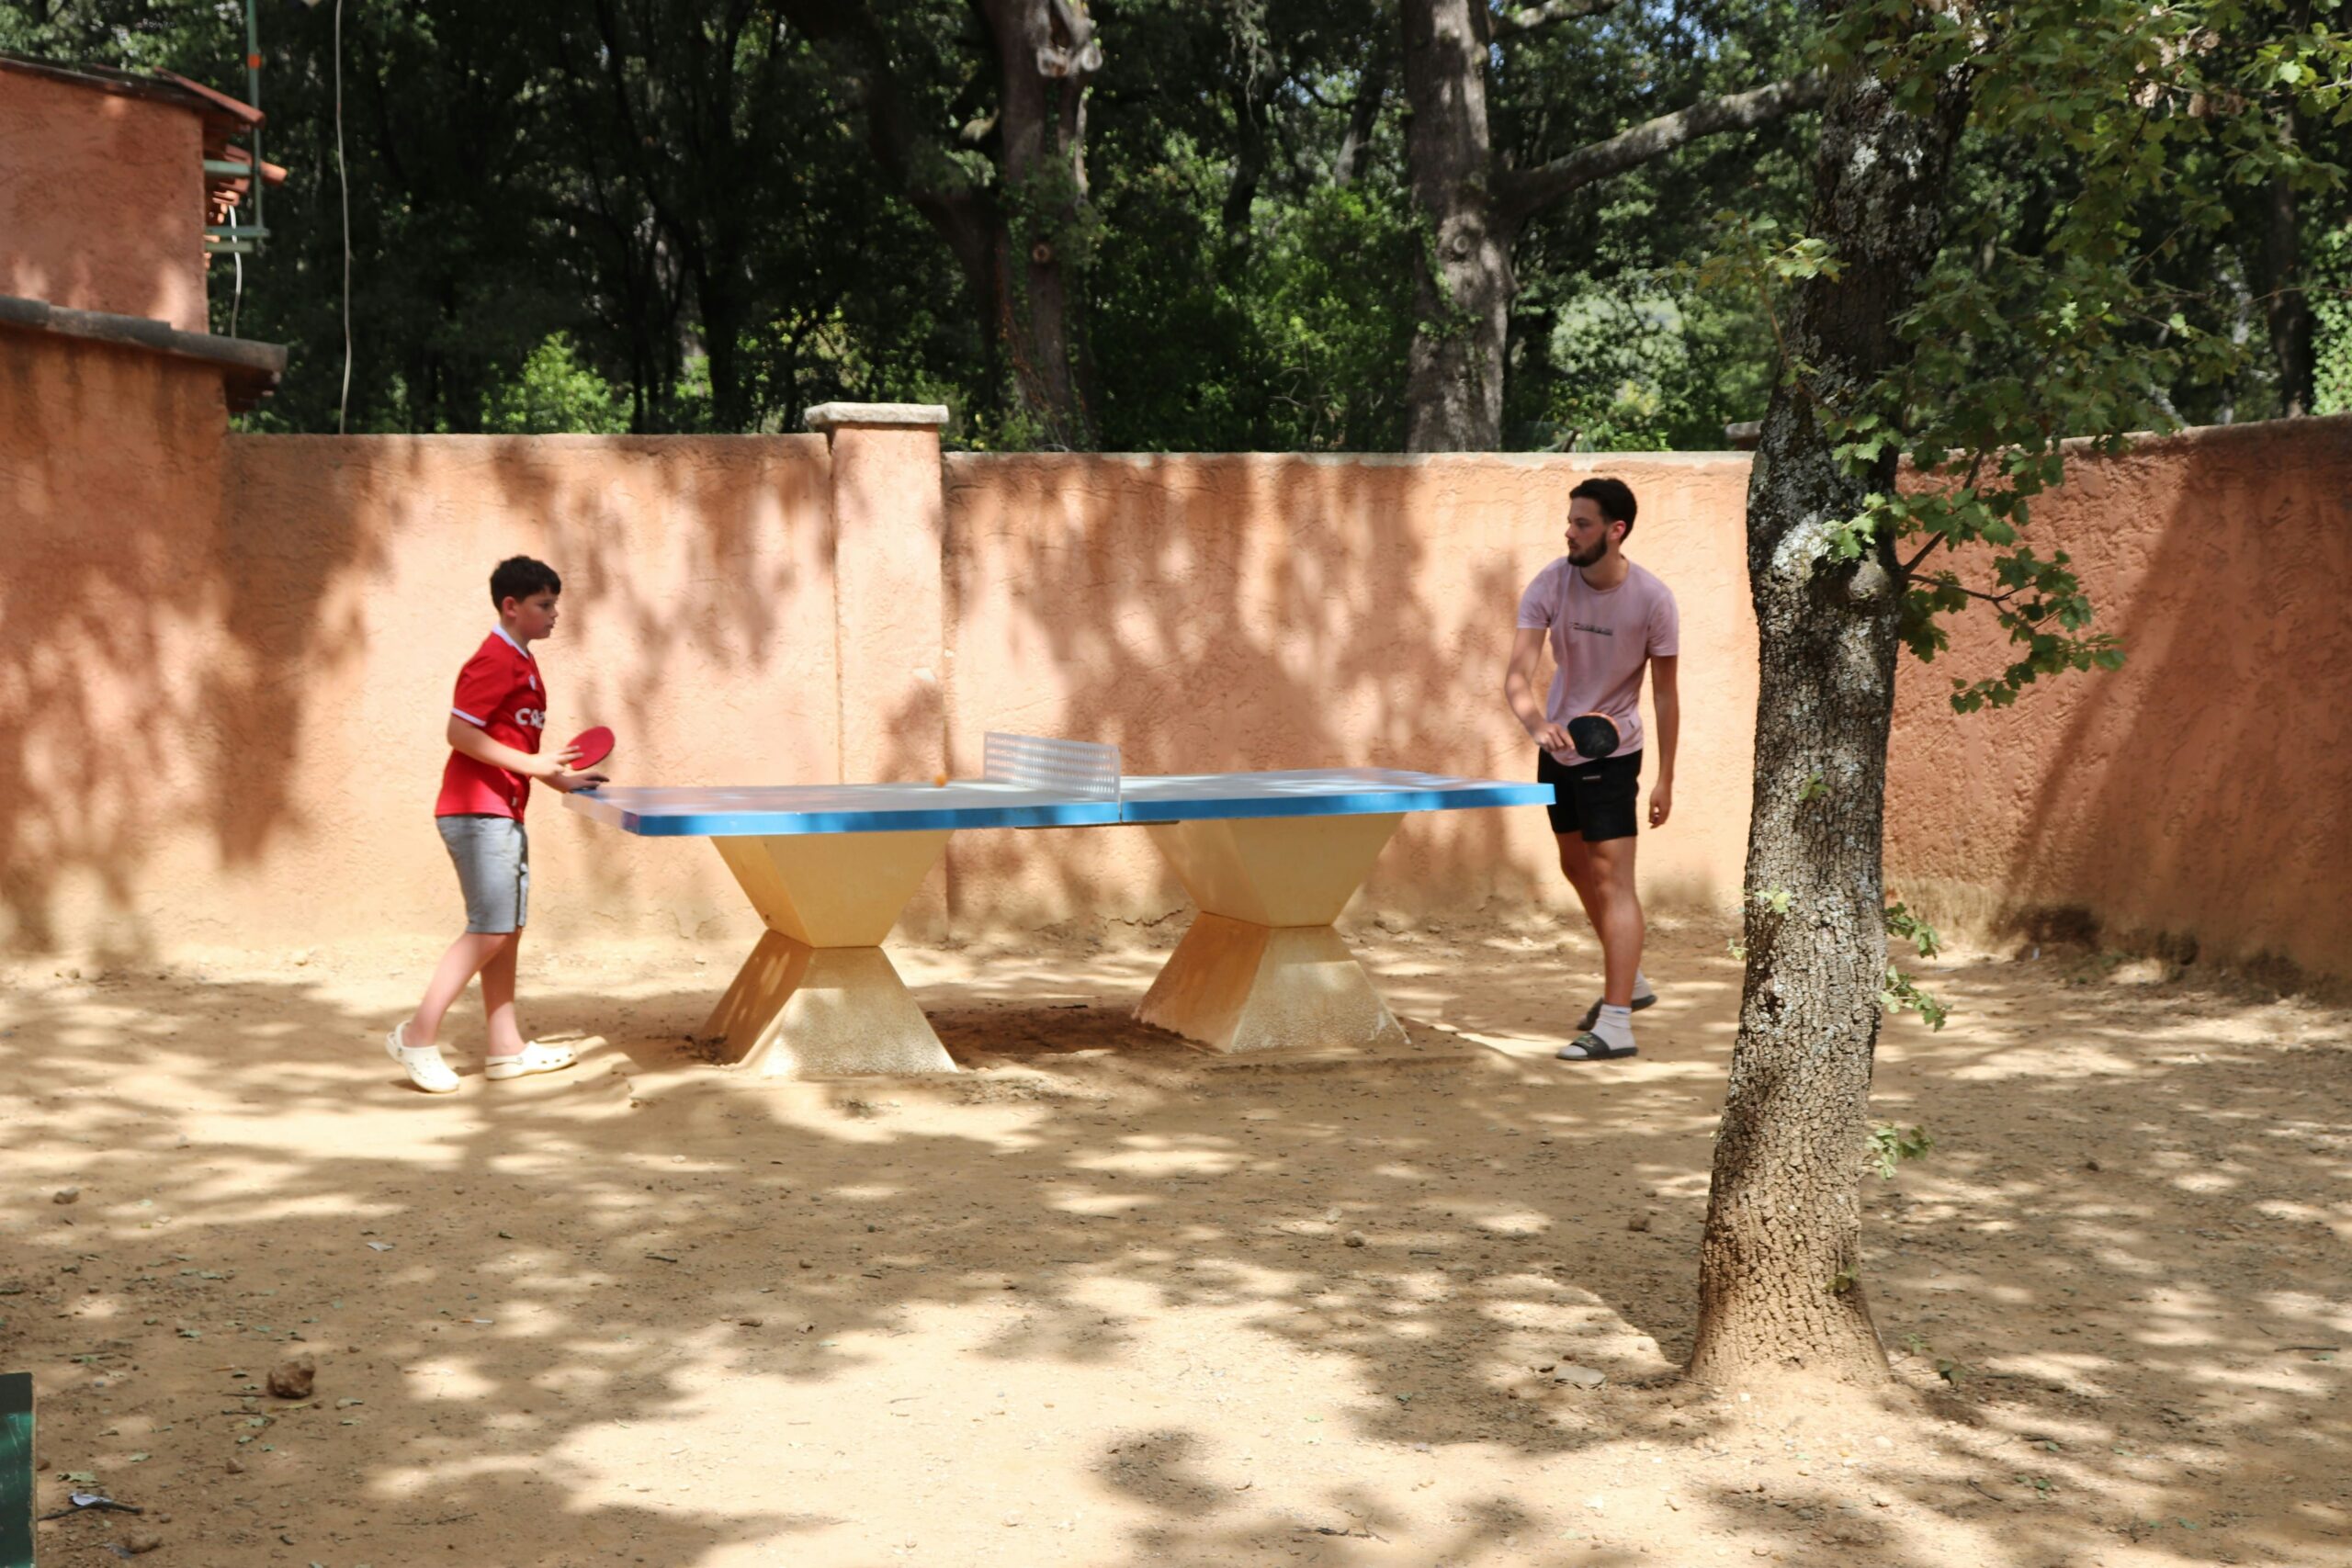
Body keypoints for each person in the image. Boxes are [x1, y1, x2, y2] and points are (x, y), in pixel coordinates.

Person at [384, 556, 605, 1092]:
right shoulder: (494, 659)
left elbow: (512, 748)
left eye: (554, 604)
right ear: (511, 606)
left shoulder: (524, 663)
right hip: (475, 812)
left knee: (507, 932)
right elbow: (460, 734)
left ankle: (506, 1049)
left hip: (501, 811)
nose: (554, 614)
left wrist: (561, 780)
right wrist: (534, 764)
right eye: (544, 605)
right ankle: (415, 1036)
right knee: (490, 930)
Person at [1505, 477, 1679, 1062]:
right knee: (1575, 865)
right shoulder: (1550, 582)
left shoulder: (1653, 599)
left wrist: (1665, 777)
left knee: (1613, 879)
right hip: (1558, 748)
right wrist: (1536, 724)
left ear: (1615, 530)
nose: (1570, 532)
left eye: (1582, 523)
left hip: (1613, 752)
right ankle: (1633, 980)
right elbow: (1516, 676)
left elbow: (1665, 695)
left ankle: (1617, 1024)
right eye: (1570, 521)